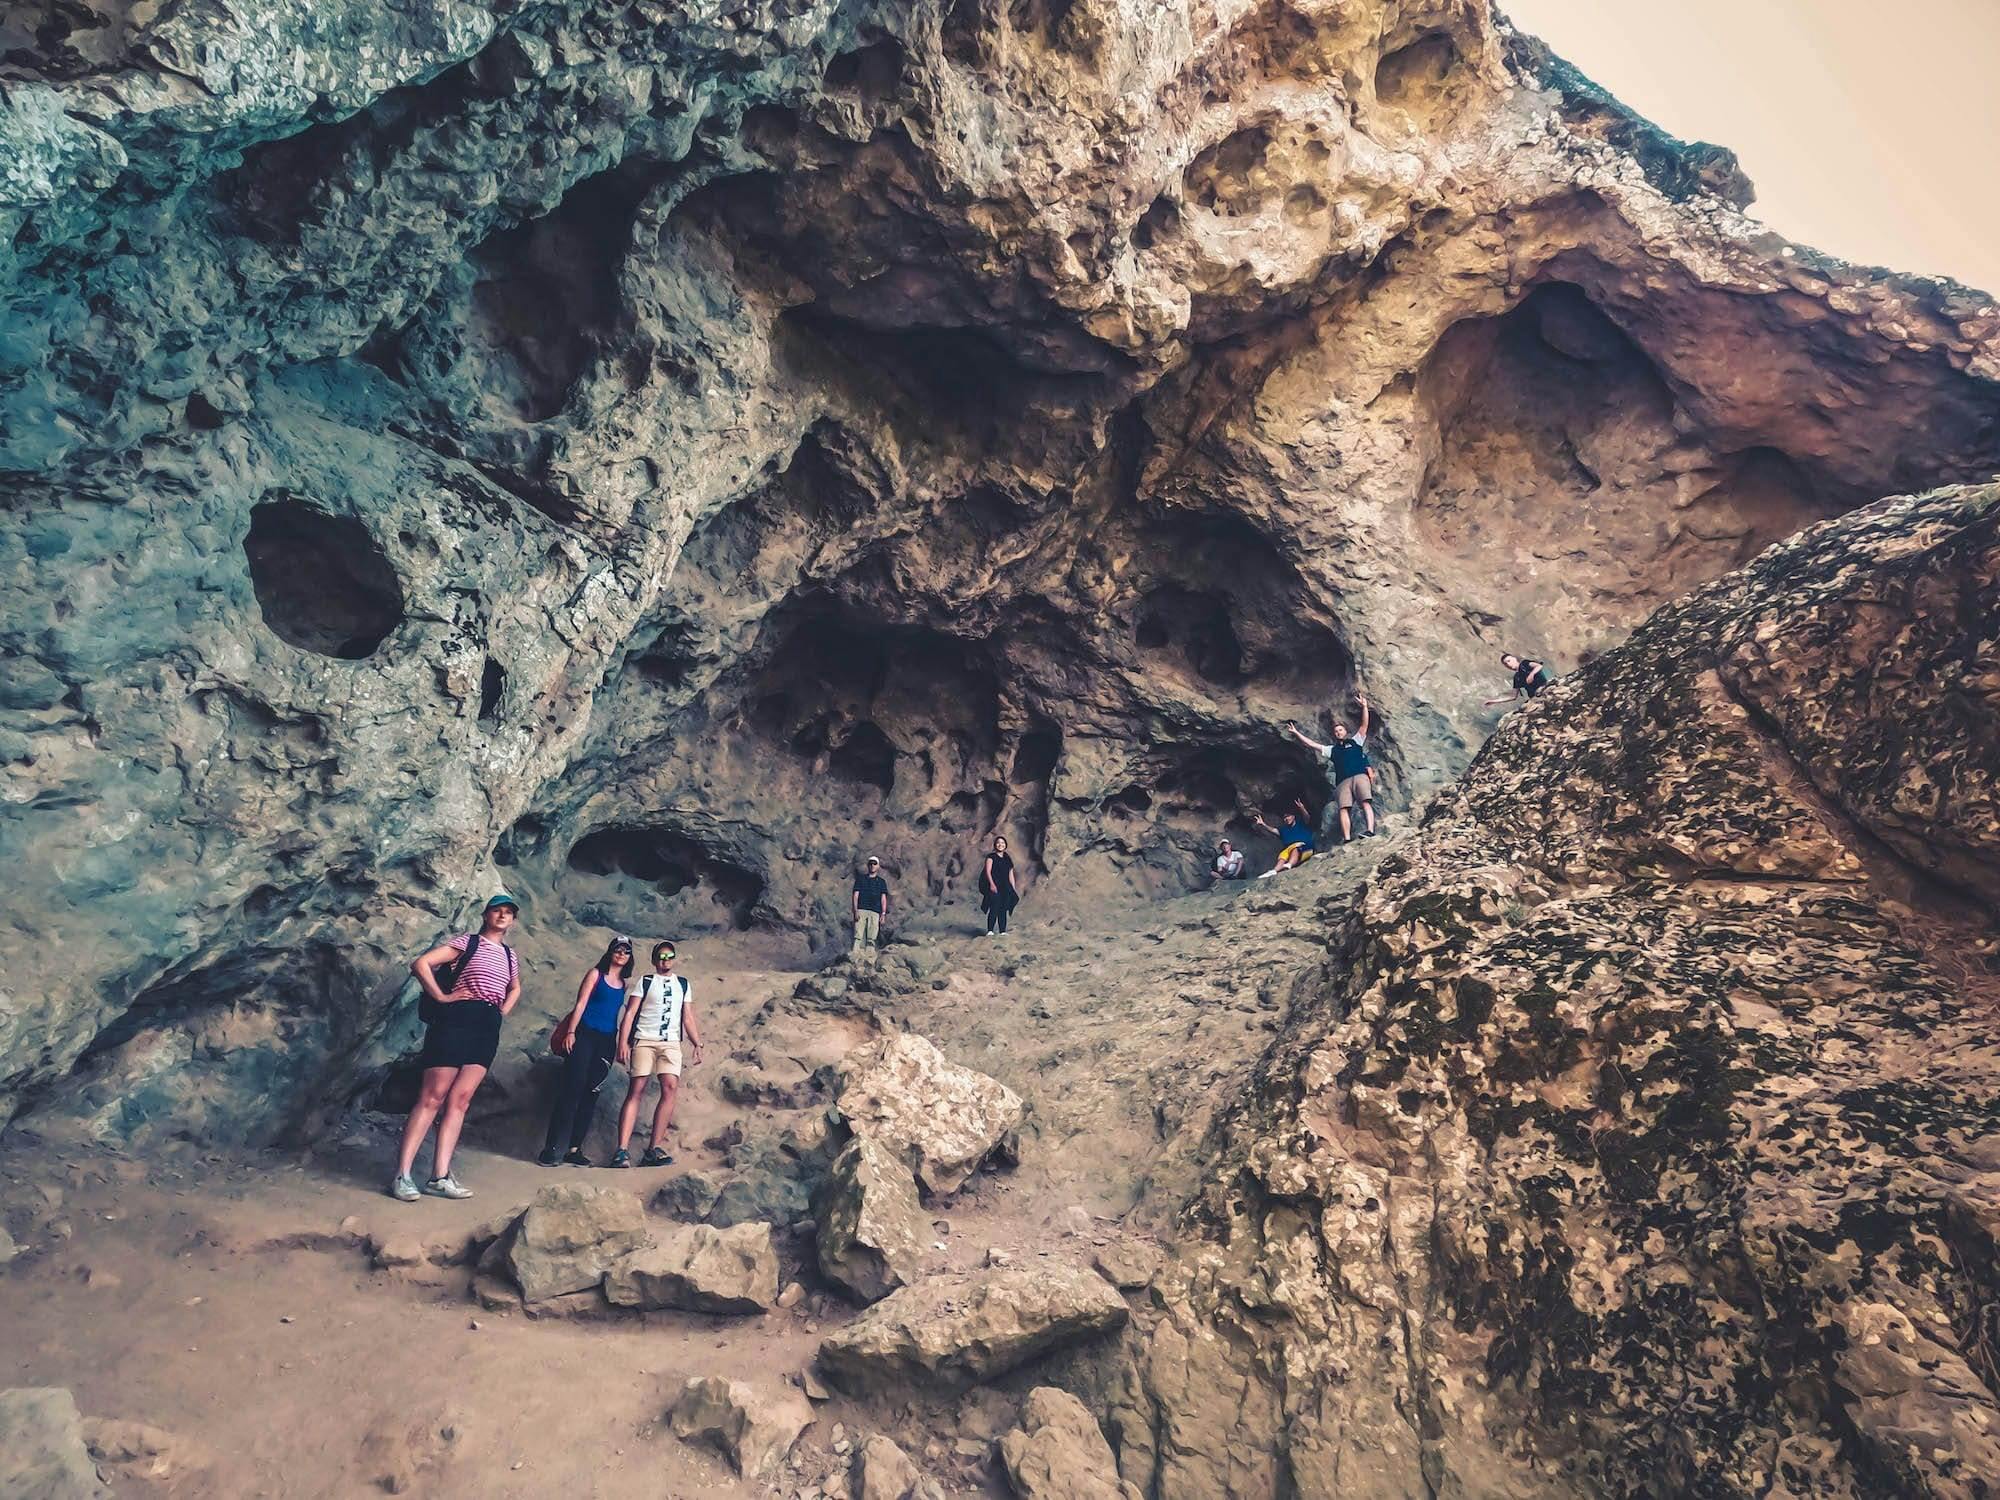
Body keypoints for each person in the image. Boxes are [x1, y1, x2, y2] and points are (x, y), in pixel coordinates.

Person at [392, 893, 522, 1202]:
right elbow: (421, 963)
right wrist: (441, 997)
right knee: (432, 1097)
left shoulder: (509, 956)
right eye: (497, 911)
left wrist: (502, 1011)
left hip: (487, 1024)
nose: (502, 916)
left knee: (461, 1101)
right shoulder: (468, 943)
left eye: (508, 913)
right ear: (486, 915)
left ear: (513, 920)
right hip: (456, 1019)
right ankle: (403, 1175)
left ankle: (439, 1176)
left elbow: (515, 987)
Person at [537, 935, 631, 1167]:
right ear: (610, 952)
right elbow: (581, 1003)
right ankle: (551, 1148)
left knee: (591, 1092)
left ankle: (574, 1149)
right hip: (585, 1033)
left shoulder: (623, 985)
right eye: (617, 949)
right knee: (571, 1088)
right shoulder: (595, 975)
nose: (621, 954)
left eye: (626, 951)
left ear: (630, 957)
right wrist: (571, 1032)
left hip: (606, 1039)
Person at [611, 940, 703, 1168]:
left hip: (671, 1042)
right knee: (637, 1089)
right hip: (645, 1039)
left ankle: (653, 1149)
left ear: (674, 959)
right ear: (654, 960)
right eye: (661, 957)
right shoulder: (646, 981)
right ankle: (621, 1150)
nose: (665, 960)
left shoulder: (682, 984)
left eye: (669, 956)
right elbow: (630, 1013)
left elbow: (687, 1016)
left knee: (670, 1087)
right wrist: (623, 1042)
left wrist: (697, 1042)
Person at [1287, 693, 1377, 843]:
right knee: (1343, 808)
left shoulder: (1355, 741)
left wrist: (1365, 707)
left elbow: (1364, 725)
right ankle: (1347, 838)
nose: (1338, 732)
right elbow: (1312, 744)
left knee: (1365, 802)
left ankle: (1370, 830)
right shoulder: (1332, 750)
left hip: (1359, 775)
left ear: (1346, 732)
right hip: (1343, 781)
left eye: (1340, 730)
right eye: (1336, 731)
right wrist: (1297, 733)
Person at [1250, 803, 1315, 876]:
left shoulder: (1301, 824)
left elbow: (1307, 817)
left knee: (1295, 847)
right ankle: (1274, 871)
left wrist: (1302, 808)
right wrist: (1263, 824)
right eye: (1284, 818)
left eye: (1288, 816)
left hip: (1306, 848)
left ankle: (1289, 864)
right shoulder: (1284, 830)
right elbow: (1274, 830)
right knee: (1283, 854)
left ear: (1293, 816)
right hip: (1290, 850)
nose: (1286, 819)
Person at [979, 834, 1020, 936]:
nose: (1000, 844)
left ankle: (1002, 931)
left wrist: (1013, 888)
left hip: (1005, 887)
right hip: (995, 885)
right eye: (998, 843)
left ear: (1005, 845)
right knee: (994, 907)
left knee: (1003, 908)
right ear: (995, 845)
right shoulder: (991, 857)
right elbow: (987, 872)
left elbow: (1010, 875)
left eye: (1002, 843)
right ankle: (990, 930)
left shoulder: (1008, 859)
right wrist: (992, 885)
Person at [852, 856, 890, 962]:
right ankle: (855, 955)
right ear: (868, 865)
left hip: (875, 911)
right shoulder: (860, 879)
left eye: (874, 863)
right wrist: (855, 911)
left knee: (872, 934)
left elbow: (883, 899)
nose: (872, 865)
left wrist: (883, 914)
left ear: (878, 866)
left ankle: (869, 956)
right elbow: (855, 896)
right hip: (861, 909)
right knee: (858, 934)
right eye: (870, 863)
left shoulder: (881, 882)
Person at [1485, 653, 1552, 707]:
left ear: (1514, 659)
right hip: (1535, 697)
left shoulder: (1524, 664)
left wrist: (1532, 674)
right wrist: (1494, 701)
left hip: (1544, 688)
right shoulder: (1517, 677)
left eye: (1509, 661)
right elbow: (1513, 696)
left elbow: (1539, 666)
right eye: (1506, 664)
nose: (1508, 664)